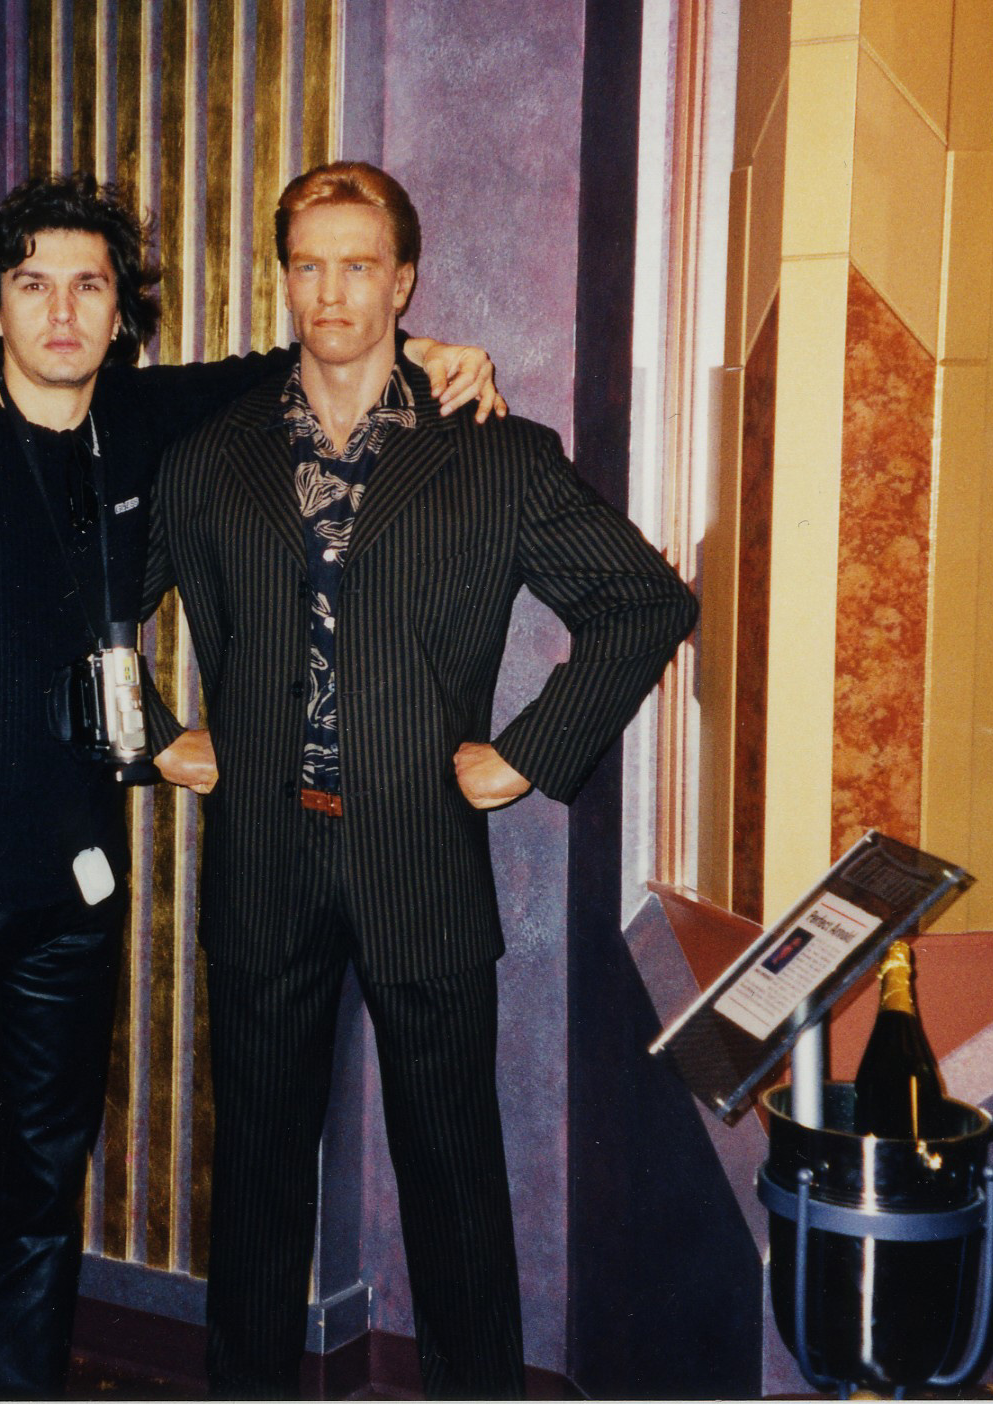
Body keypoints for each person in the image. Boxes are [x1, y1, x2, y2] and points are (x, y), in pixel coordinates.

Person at [0, 171, 504, 1399]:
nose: (61, 311)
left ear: (120, 313)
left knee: (35, 1213)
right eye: (32, 286)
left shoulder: (138, 423)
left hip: (70, 906)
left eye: (88, 286)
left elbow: (295, 361)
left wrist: (427, 352)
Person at [143, 161, 699, 1399]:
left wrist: (526, 753)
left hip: (418, 856)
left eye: (357, 265)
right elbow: (91, 606)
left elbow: (641, 600)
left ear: (403, 282)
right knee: (257, 1188)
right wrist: (151, 732)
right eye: (306, 265)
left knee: (452, 1179)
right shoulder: (210, 456)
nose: (329, 292)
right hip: (261, 858)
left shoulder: (493, 455)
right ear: (282, 278)